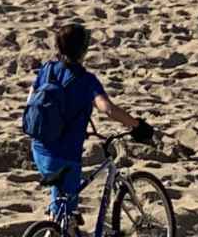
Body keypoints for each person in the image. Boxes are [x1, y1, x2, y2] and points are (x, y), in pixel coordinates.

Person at [27, 24, 154, 223]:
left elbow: (31, 100)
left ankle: (54, 223)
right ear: (83, 50)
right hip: (65, 156)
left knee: (60, 206)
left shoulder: (48, 69)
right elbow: (108, 109)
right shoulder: (86, 81)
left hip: (39, 148)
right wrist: (136, 125)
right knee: (66, 217)